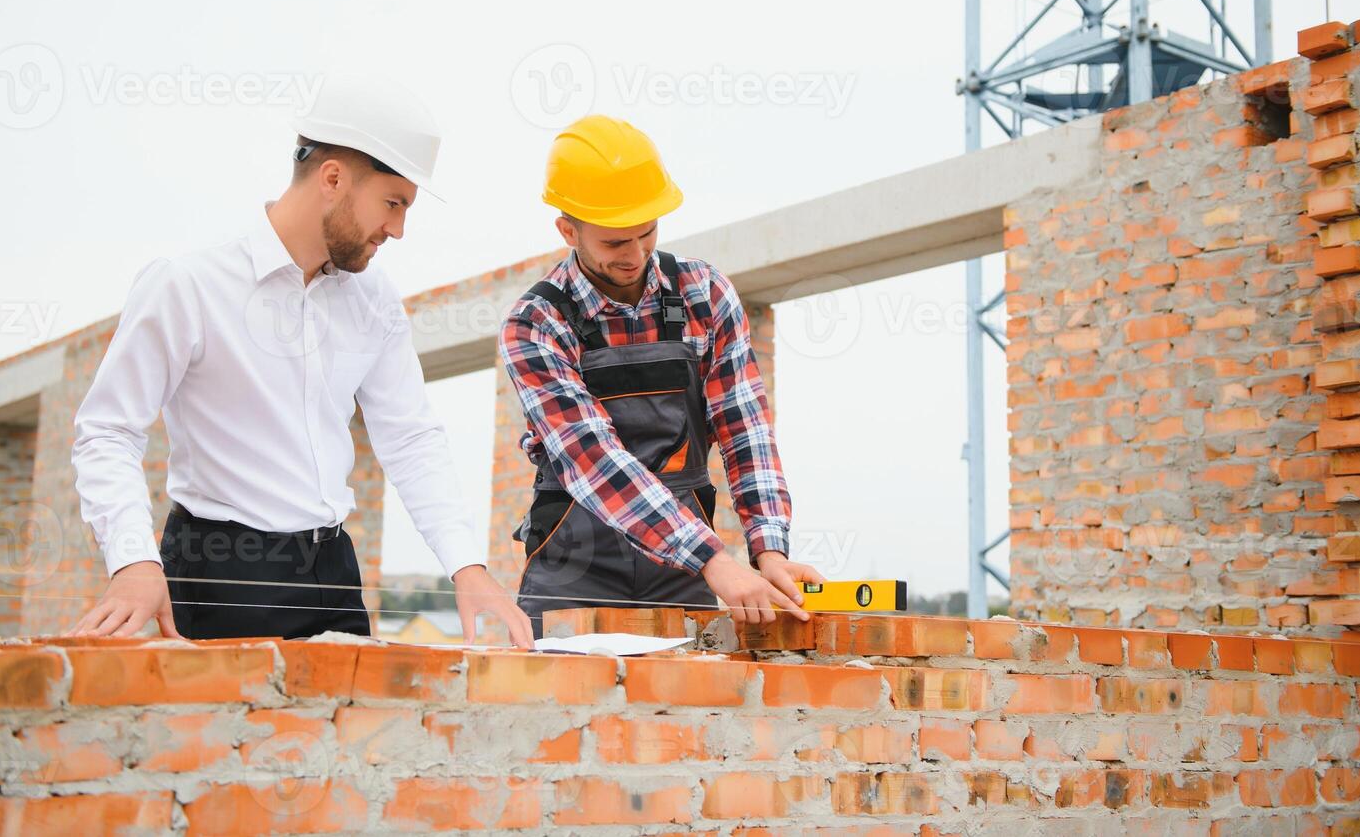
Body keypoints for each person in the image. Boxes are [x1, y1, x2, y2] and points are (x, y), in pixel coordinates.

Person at [68, 76, 533, 646]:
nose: (399, 229)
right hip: (218, 573)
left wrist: (467, 567)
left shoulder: (374, 298)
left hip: (334, 572)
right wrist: (134, 562)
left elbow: (410, 437)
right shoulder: (189, 285)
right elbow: (107, 431)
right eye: (393, 203)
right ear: (333, 178)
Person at [499, 114, 825, 637]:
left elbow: (746, 432)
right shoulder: (537, 324)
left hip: (682, 569)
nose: (634, 256)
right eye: (613, 243)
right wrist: (715, 561)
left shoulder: (705, 294)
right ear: (568, 230)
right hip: (577, 563)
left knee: (682, 709)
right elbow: (595, 459)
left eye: (646, 233)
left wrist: (768, 550)